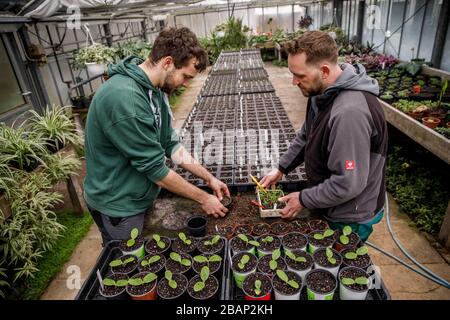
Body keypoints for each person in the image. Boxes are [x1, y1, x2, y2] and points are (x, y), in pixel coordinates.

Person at [83, 27, 230, 245]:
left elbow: (170, 145)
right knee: (127, 261)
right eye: (186, 76)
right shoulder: (125, 100)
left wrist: (208, 178)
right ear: (167, 63)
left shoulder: (155, 90)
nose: (186, 83)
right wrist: (203, 197)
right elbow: (156, 170)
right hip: (118, 204)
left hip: (137, 194)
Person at [260, 31, 387, 242]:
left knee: (340, 264)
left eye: (300, 76)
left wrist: (303, 199)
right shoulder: (321, 92)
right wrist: (281, 168)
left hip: (350, 216)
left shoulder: (349, 114)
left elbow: (348, 183)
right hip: (332, 203)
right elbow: (306, 135)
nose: (293, 82)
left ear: (325, 70)